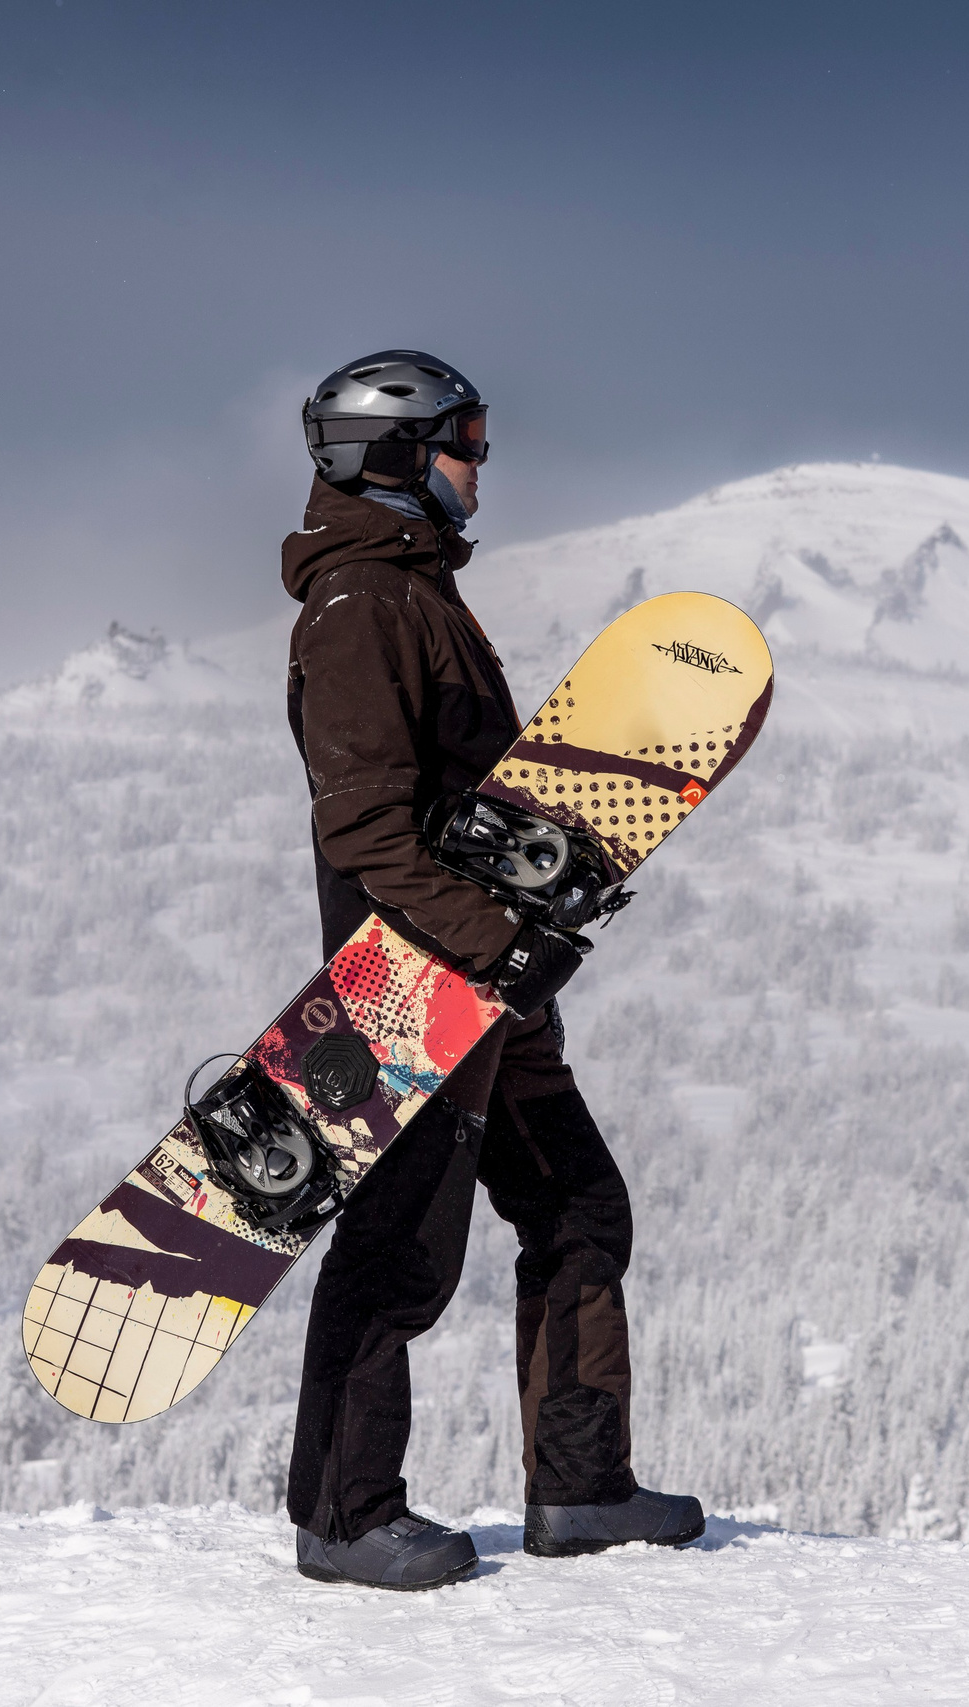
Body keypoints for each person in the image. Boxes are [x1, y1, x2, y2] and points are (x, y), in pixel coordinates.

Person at [280, 350, 704, 1590]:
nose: (481, 462)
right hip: (412, 989)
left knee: (579, 1211)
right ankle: (342, 1517)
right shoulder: (361, 606)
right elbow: (361, 831)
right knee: (400, 1250)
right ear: (397, 453)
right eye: (463, 438)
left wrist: (526, 933)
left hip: (487, 983)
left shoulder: (418, 595)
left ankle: (578, 1493)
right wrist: (488, 940)